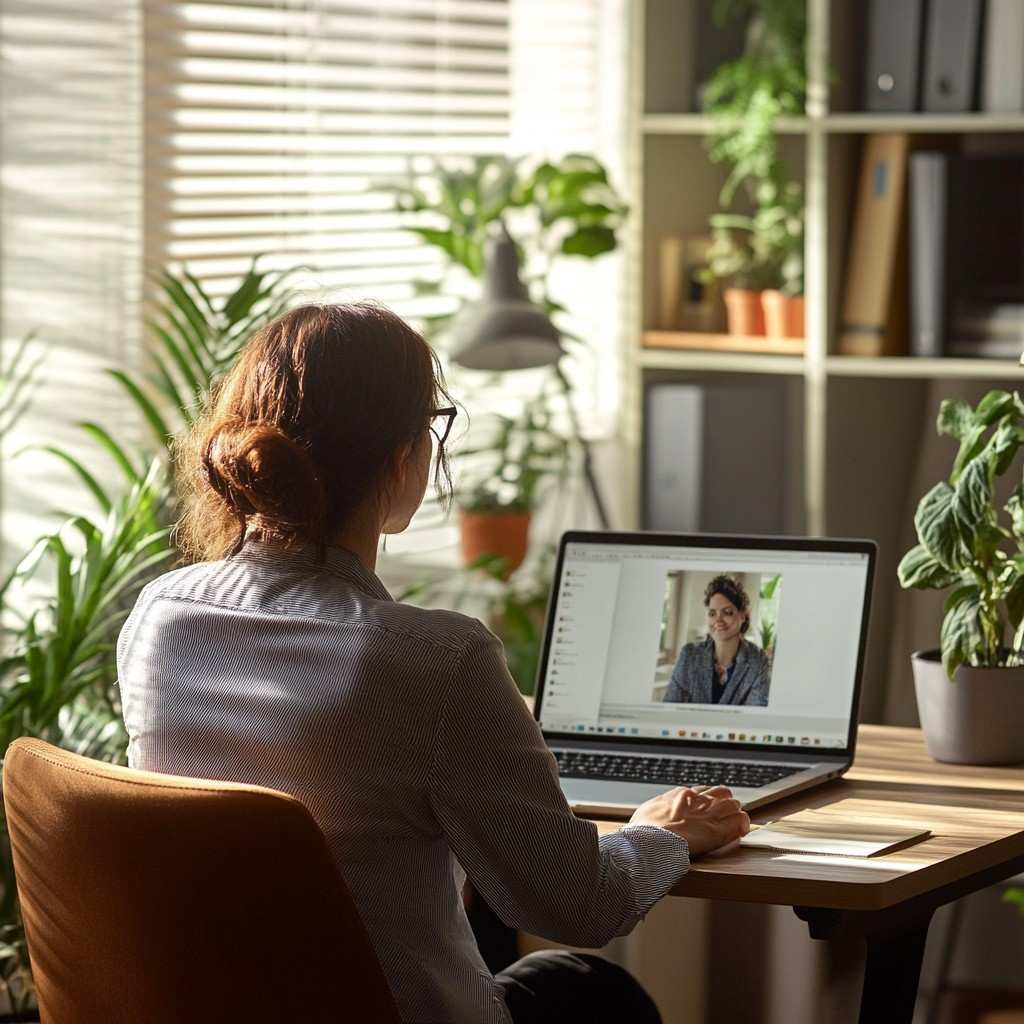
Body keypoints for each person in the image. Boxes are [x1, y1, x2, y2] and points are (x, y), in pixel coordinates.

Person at [117, 304, 750, 1024]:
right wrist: (661, 830)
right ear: (401, 457)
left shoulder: (159, 620)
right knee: (593, 991)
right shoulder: (432, 662)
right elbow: (576, 903)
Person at [663, 575, 771, 707]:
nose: (718, 620)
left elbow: (755, 718)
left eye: (727, 612)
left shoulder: (758, 661)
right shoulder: (689, 655)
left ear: (742, 616)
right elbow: (670, 708)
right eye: (712, 613)